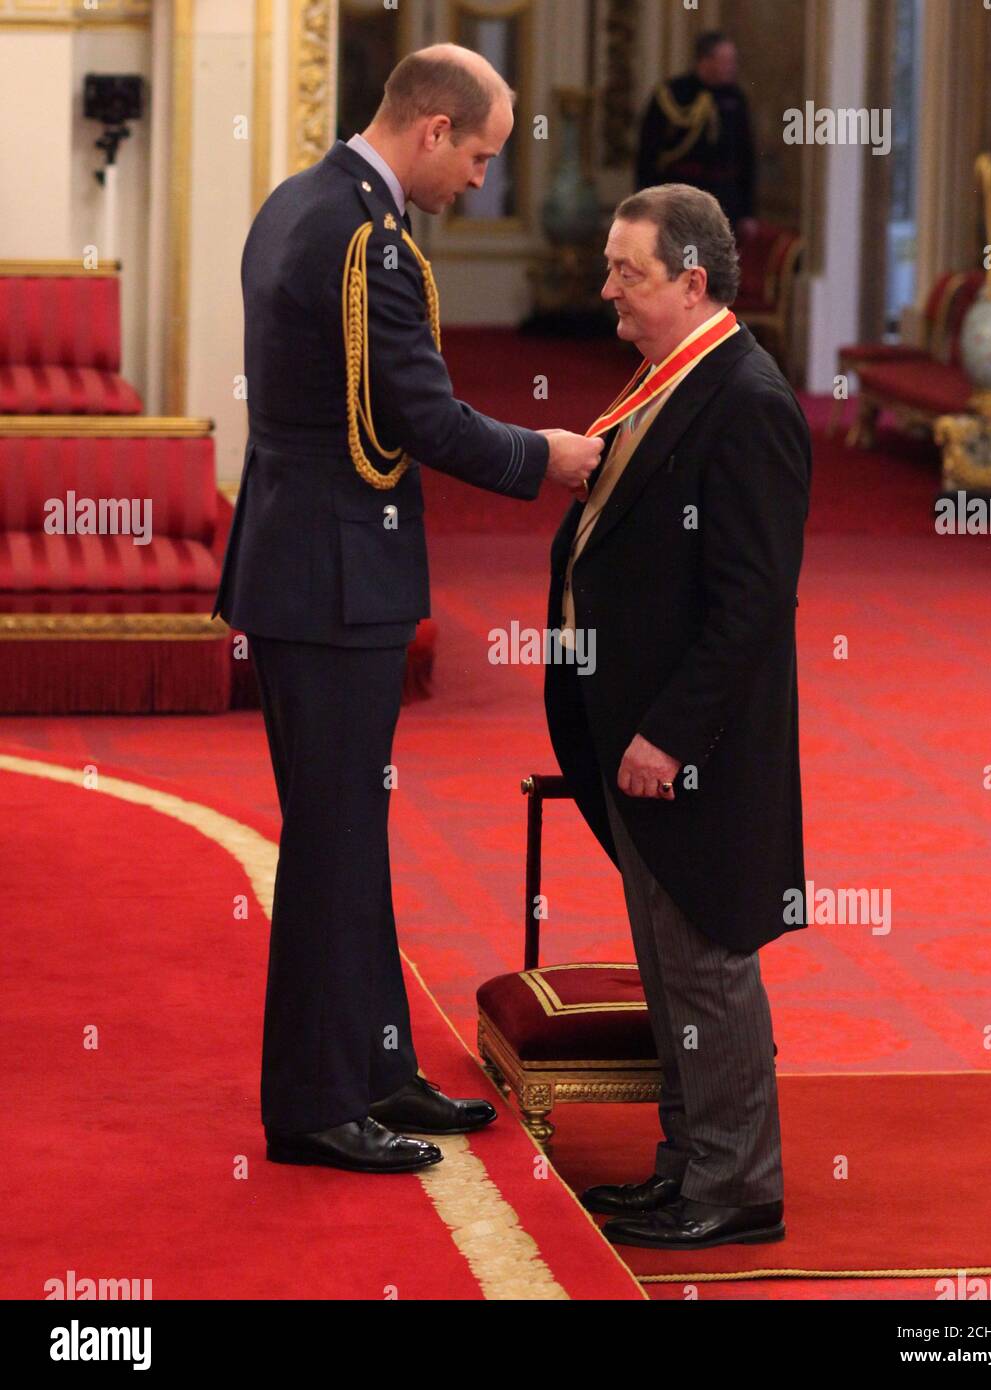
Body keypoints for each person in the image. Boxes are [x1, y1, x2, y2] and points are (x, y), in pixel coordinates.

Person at [213, 44, 602, 1176]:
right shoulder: (365, 242)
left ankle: (377, 1063)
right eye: (478, 155)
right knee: (333, 846)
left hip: (300, 562)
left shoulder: (297, 201)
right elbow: (423, 418)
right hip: (335, 579)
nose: (481, 179)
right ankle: (312, 1105)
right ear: (431, 130)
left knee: (350, 834)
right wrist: (549, 456)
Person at [544, 184, 810, 1249]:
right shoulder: (667, 379)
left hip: (691, 749)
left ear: (691, 281)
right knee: (669, 966)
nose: (605, 288)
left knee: (705, 962)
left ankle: (735, 1185)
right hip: (637, 732)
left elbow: (752, 603)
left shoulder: (744, 400)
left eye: (627, 272)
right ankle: (685, 1163)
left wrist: (668, 735)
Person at [636, 32, 758, 239]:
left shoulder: (736, 97)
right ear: (705, 60)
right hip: (681, 197)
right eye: (725, 61)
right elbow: (647, 152)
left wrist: (748, 212)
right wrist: (646, 204)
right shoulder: (673, 94)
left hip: (725, 200)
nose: (732, 67)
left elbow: (746, 157)